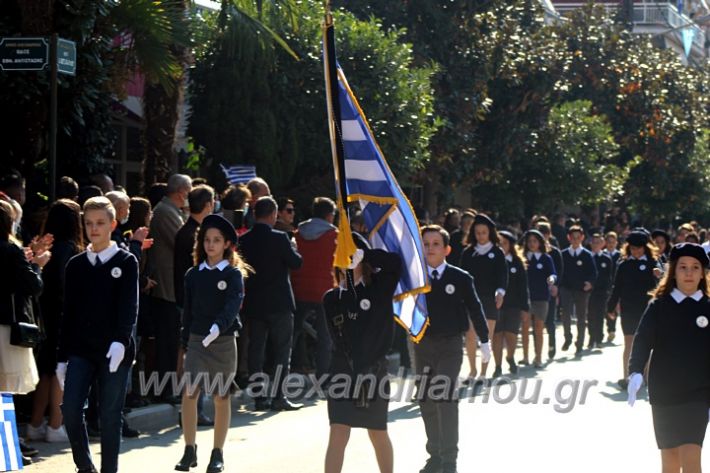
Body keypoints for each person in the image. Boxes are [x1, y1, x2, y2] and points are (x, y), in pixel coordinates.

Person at [57, 196, 138, 473]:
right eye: (89, 223)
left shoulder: (126, 262)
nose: (94, 228)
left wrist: (121, 341)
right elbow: (68, 314)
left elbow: (130, 306)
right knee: (69, 409)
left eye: (100, 223)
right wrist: (61, 357)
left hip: (114, 350)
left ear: (112, 224)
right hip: (81, 349)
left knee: (110, 415)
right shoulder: (76, 265)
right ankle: (85, 466)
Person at [627, 242, 710, 473]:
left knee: (692, 456)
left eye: (695, 267)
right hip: (664, 393)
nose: (689, 273)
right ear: (673, 271)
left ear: (703, 273)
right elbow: (642, 340)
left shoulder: (707, 307)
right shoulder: (659, 306)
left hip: (699, 394)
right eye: (683, 267)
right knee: (670, 459)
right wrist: (634, 372)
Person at [323, 232, 401, 473]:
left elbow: (395, 263)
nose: (345, 258)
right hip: (343, 371)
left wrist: (366, 254)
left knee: (378, 433)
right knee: (338, 432)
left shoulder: (379, 289)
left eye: (349, 253)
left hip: (374, 370)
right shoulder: (333, 298)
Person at [175, 215, 248, 473]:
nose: (211, 244)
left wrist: (218, 327)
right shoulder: (193, 275)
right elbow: (188, 311)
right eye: (207, 240)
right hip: (197, 340)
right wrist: (185, 342)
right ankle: (189, 449)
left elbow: (232, 306)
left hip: (224, 341)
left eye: (217, 240)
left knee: (220, 397)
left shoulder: (232, 274)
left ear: (227, 243)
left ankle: (217, 453)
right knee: (189, 393)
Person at [416, 225, 490, 473]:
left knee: (445, 396)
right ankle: (435, 452)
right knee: (426, 398)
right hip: (422, 344)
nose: (430, 248)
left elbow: (475, 308)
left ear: (447, 249)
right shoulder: (414, 277)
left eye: (436, 243)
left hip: (450, 344)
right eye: (426, 244)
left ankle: (449, 458)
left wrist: (485, 340)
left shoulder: (460, 277)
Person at [239, 196, 303, 411]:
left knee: (256, 350)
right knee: (282, 351)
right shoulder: (280, 238)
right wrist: (293, 247)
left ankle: (259, 397)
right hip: (279, 302)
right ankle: (279, 396)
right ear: (274, 215)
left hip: (255, 301)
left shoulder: (245, 240)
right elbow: (296, 263)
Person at [28, 199, 83, 443]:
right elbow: (67, 286)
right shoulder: (70, 248)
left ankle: (36, 422)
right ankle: (55, 425)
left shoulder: (48, 248)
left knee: (47, 371)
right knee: (60, 371)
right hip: (64, 316)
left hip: (46, 315)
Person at [146, 173, 192, 403]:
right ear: (181, 191)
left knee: (172, 340)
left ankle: (167, 388)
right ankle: (164, 389)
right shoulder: (166, 212)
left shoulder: (172, 211)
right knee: (167, 341)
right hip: (166, 286)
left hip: (172, 284)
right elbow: (183, 242)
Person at [290, 197, 338, 377]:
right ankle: (323, 376)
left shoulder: (297, 233)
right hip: (325, 290)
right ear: (329, 216)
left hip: (299, 289)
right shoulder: (335, 236)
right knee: (325, 337)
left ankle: (283, 371)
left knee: (293, 334)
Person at [607, 230, 660, 390]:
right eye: (633, 248)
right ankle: (628, 377)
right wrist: (610, 307)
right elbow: (617, 287)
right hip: (628, 309)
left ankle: (645, 375)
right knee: (629, 343)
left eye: (639, 248)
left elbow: (665, 279)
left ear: (646, 247)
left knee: (647, 344)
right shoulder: (623, 265)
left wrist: (660, 273)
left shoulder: (654, 263)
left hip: (648, 309)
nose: (636, 251)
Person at [459, 213, 507, 381]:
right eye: (477, 232)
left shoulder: (497, 252)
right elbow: (461, 275)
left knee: (487, 336)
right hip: (471, 299)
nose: (480, 236)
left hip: (490, 300)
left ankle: (483, 373)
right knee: (470, 334)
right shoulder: (468, 252)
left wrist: (500, 292)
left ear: (490, 233)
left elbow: (502, 275)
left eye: (484, 232)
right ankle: (472, 371)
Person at [493, 231, 529, 377]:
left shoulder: (517, 262)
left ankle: (510, 357)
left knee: (511, 335)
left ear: (511, 245)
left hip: (514, 305)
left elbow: (523, 286)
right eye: (499, 243)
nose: (502, 246)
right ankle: (497, 366)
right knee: (497, 335)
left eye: (505, 243)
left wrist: (525, 307)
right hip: (496, 305)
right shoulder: (492, 260)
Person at [559, 225, 597, 356]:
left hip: (581, 289)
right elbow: (559, 271)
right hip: (566, 288)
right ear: (569, 238)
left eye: (578, 237)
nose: (575, 240)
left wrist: (589, 283)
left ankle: (579, 343)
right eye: (573, 237)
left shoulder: (586, 255)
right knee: (565, 314)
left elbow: (593, 272)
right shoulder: (563, 254)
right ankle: (567, 337)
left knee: (581, 317)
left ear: (582, 238)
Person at [521, 229, 557, 367]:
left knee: (539, 327)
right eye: (529, 241)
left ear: (540, 242)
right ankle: (525, 357)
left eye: (534, 241)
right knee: (525, 326)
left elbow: (553, 273)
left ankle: (538, 358)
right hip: (525, 297)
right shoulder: (523, 256)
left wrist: (552, 279)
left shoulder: (546, 258)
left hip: (542, 296)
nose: (532, 244)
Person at [536, 221, 563, 360]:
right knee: (537, 321)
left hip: (550, 290)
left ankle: (552, 345)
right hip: (536, 291)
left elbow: (559, 271)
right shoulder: (531, 253)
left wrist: (556, 286)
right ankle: (537, 352)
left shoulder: (554, 252)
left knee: (550, 320)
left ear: (548, 235)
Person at [587, 233, 613, 349]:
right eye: (594, 242)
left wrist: (608, 291)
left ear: (602, 244)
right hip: (589, 292)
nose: (596, 245)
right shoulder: (587, 257)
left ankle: (599, 339)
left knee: (600, 315)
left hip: (602, 292)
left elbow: (609, 277)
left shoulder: (606, 259)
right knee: (590, 316)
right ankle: (591, 338)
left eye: (598, 242)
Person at [604, 231, 622, 342]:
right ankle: (608, 327)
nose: (611, 244)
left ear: (616, 242)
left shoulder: (619, 255)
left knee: (613, 306)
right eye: (609, 242)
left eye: (613, 242)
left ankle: (612, 329)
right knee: (606, 307)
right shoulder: (603, 254)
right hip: (605, 285)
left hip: (616, 284)